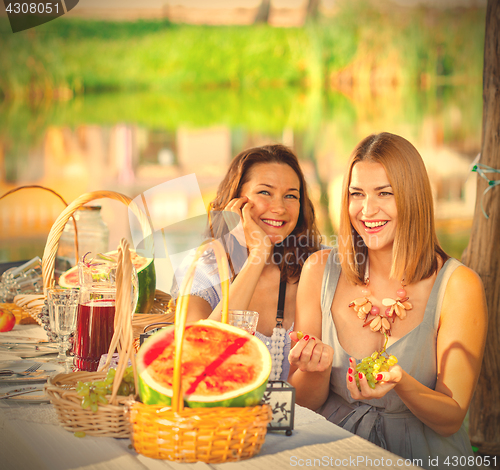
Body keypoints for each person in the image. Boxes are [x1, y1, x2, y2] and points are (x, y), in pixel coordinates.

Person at [288, 132, 487, 469]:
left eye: (384, 193)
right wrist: (316, 370)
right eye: (357, 194)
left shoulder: (459, 286)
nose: (367, 210)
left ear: (412, 197)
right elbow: (305, 403)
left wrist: (401, 382)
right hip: (333, 454)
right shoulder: (319, 271)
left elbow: (451, 418)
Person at [171, 144, 323, 381]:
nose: (280, 208)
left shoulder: (319, 265)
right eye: (265, 192)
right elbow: (197, 354)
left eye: (291, 195)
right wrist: (258, 255)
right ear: (236, 201)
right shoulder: (201, 269)